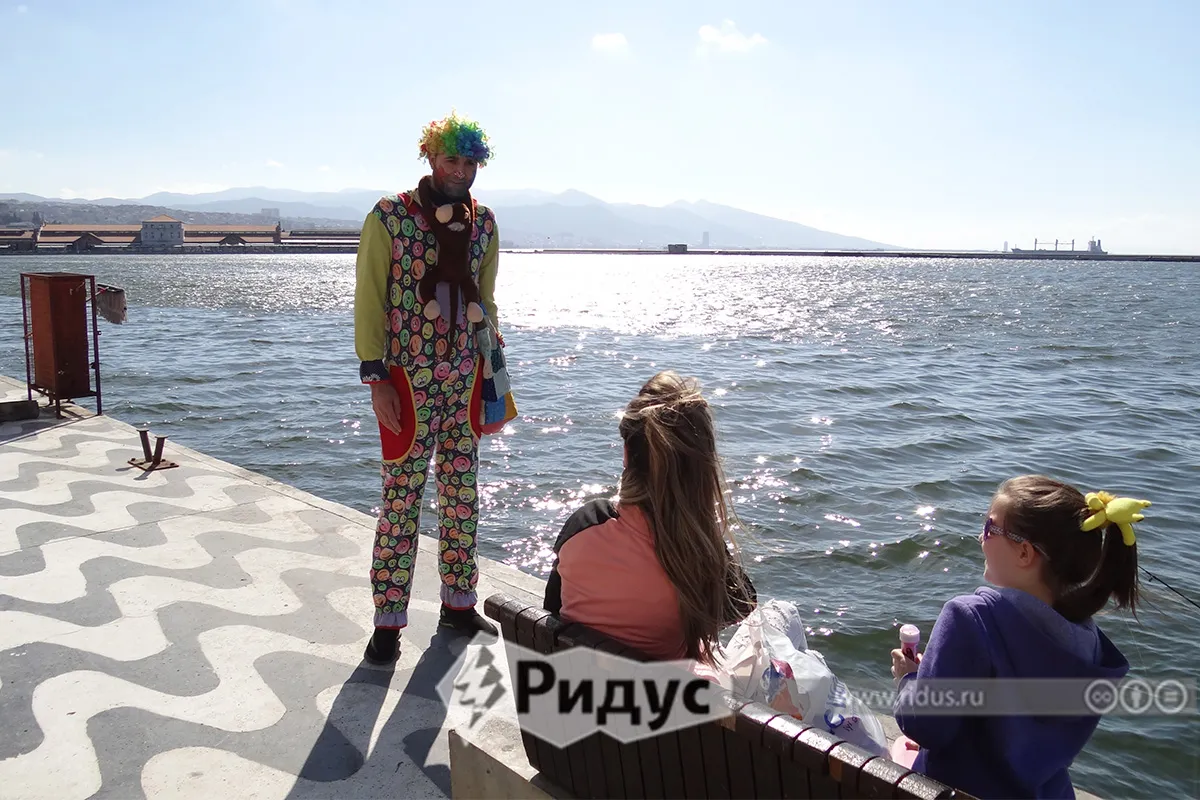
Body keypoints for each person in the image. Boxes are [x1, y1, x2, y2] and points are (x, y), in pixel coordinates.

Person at [890, 475, 1147, 799]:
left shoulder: (969, 618)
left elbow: (926, 727)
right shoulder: (1089, 641)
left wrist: (910, 680)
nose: (980, 537)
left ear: (1024, 553)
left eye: (989, 528)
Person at [354, 111, 504, 665]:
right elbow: (370, 298)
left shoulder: (484, 223)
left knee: (463, 496)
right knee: (401, 500)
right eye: (451, 160)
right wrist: (376, 377)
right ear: (431, 158)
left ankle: (458, 606)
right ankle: (387, 623)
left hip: (465, 378)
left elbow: (486, 300)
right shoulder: (390, 216)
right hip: (406, 382)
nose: (461, 171)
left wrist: (493, 373)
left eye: (470, 162)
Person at [543, 370, 757, 666]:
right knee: (783, 618)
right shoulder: (699, 551)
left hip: (576, 688)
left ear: (626, 453)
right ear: (701, 466)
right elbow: (742, 606)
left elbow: (553, 608)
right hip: (660, 693)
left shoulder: (585, 524)